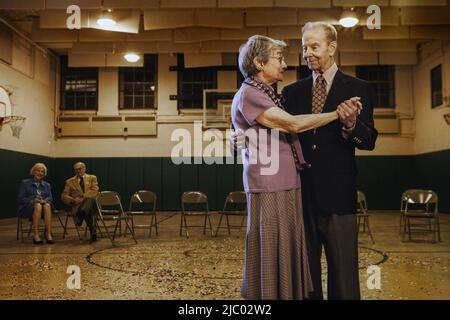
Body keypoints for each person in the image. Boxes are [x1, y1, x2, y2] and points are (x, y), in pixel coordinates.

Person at [232, 35, 360, 300]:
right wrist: (338, 114)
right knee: (271, 252)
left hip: (288, 183)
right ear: (258, 62)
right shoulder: (251, 93)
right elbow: (293, 124)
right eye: (279, 58)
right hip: (270, 185)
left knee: (285, 251)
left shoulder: (268, 94)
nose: (285, 64)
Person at [280, 22, 379, 300]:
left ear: (332, 47)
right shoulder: (291, 93)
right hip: (301, 197)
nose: (307, 53)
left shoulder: (359, 88)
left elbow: (369, 140)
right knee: (306, 279)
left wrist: (351, 126)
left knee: (344, 280)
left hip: (339, 197)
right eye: (303, 48)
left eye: (314, 46)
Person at [61, 162, 99, 242]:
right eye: (76, 169)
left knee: (89, 201)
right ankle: (93, 232)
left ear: (84, 168)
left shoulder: (92, 178)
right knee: (87, 211)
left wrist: (82, 197)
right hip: (78, 205)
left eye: (80, 169)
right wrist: (73, 200)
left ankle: (80, 217)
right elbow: (64, 196)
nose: (78, 171)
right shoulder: (69, 181)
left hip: (93, 204)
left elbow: (95, 190)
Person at [18, 163, 55, 244]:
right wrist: (33, 200)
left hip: (44, 209)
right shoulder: (25, 183)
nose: (40, 173)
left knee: (47, 205)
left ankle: (48, 234)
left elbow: (50, 198)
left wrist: (45, 200)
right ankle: (36, 235)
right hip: (28, 208)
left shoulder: (47, 185)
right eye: (38, 170)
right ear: (33, 171)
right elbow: (21, 199)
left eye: (42, 171)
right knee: (38, 205)